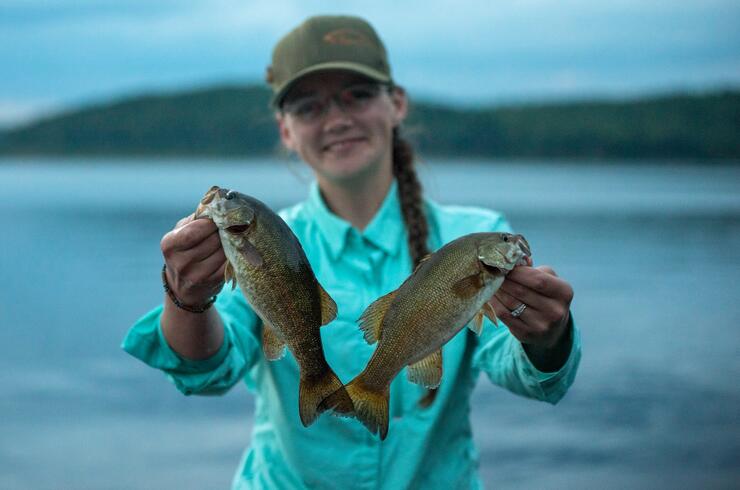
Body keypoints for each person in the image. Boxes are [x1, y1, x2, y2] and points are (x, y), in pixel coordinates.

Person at [122, 15, 581, 489]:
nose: (337, 119)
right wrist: (187, 296)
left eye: (357, 95)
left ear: (396, 103)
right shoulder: (269, 237)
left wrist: (548, 336)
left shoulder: (479, 232)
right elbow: (209, 370)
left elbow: (526, 371)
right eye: (308, 106)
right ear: (285, 130)